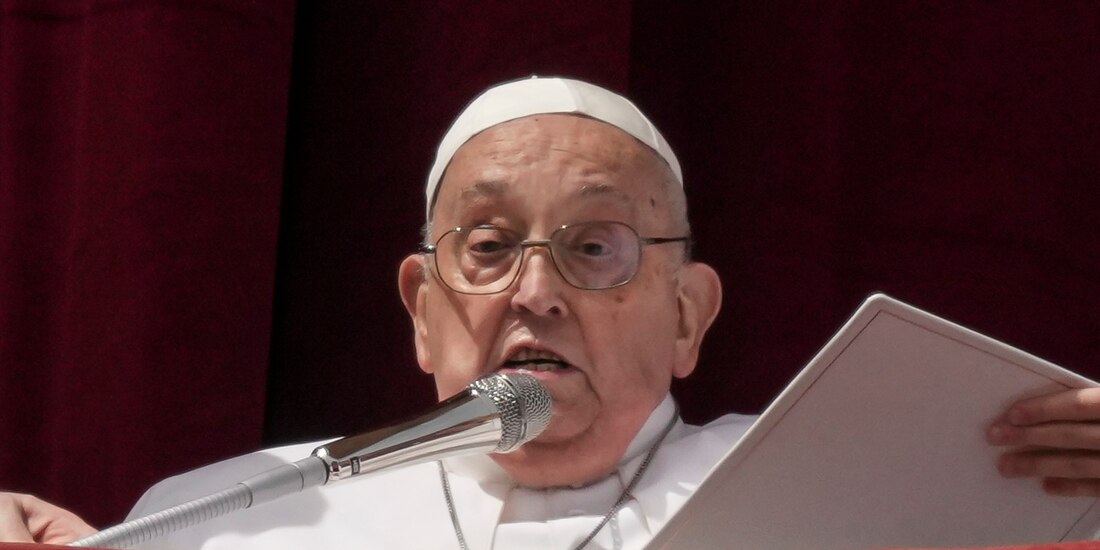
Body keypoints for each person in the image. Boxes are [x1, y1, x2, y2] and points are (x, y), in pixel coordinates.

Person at [1, 76, 1099, 548]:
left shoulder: (867, 493)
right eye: (487, 248)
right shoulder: (230, 517)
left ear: (688, 314)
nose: (536, 291)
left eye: (594, 248)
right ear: (422, 311)